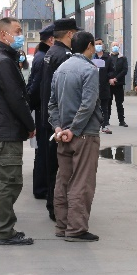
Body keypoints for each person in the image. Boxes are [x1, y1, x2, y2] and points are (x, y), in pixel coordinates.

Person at [0, 17, 36, 245]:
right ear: (4, 34)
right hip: (7, 129)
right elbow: (16, 98)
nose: (20, 35)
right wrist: (30, 124)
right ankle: (4, 231)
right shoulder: (3, 61)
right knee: (9, 182)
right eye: (17, 31)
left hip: (0, 128)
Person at [49, 31, 102, 242]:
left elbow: (52, 103)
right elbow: (88, 104)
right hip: (84, 134)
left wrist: (58, 128)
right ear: (89, 46)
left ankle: (62, 225)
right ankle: (76, 228)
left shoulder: (60, 69)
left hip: (63, 134)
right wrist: (75, 129)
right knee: (82, 182)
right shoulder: (90, 70)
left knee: (63, 180)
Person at [40, 18, 80, 221]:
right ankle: (57, 208)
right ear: (70, 34)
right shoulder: (64, 55)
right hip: (60, 119)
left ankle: (53, 204)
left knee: (52, 165)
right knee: (61, 167)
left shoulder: (51, 52)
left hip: (50, 115)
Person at [26, 24, 54, 200]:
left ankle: (41, 186)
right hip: (43, 110)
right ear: (51, 39)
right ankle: (42, 188)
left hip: (40, 109)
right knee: (44, 151)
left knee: (42, 150)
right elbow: (35, 87)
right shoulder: (44, 58)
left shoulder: (41, 56)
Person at [92, 37, 114, 134]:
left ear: (103, 45)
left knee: (104, 107)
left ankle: (104, 125)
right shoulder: (92, 57)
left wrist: (108, 77)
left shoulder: (107, 58)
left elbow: (112, 71)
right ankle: (94, 126)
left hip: (104, 86)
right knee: (93, 107)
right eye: (96, 44)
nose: (98, 46)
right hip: (93, 86)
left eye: (100, 44)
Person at [108, 41, 128, 127]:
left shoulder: (123, 58)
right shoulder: (107, 57)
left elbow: (124, 70)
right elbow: (105, 70)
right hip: (109, 84)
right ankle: (106, 120)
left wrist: (116, 79)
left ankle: (121, 121)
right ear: (111, 47)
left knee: (119, 103)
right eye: (113, 45)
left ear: (119, 47)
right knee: (108, 103)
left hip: (119, 83)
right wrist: (110, 79)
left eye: (116, 45)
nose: (115, 47)